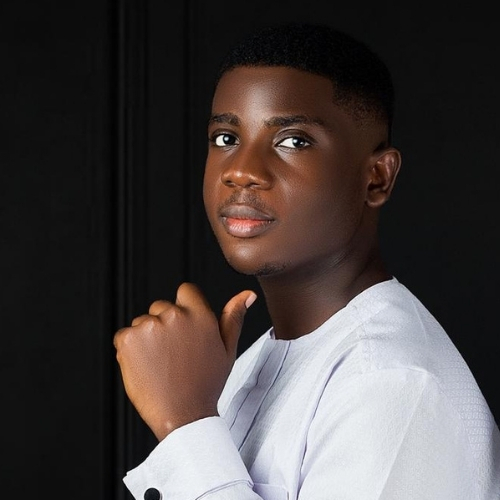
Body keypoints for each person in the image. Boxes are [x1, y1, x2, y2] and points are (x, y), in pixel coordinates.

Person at [113, 22, 500, 499]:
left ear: (377, 178)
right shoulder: (255, 364)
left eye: (293, 140)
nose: (241, 171)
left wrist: (184, 422)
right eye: (226, 138)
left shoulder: (391, 383)